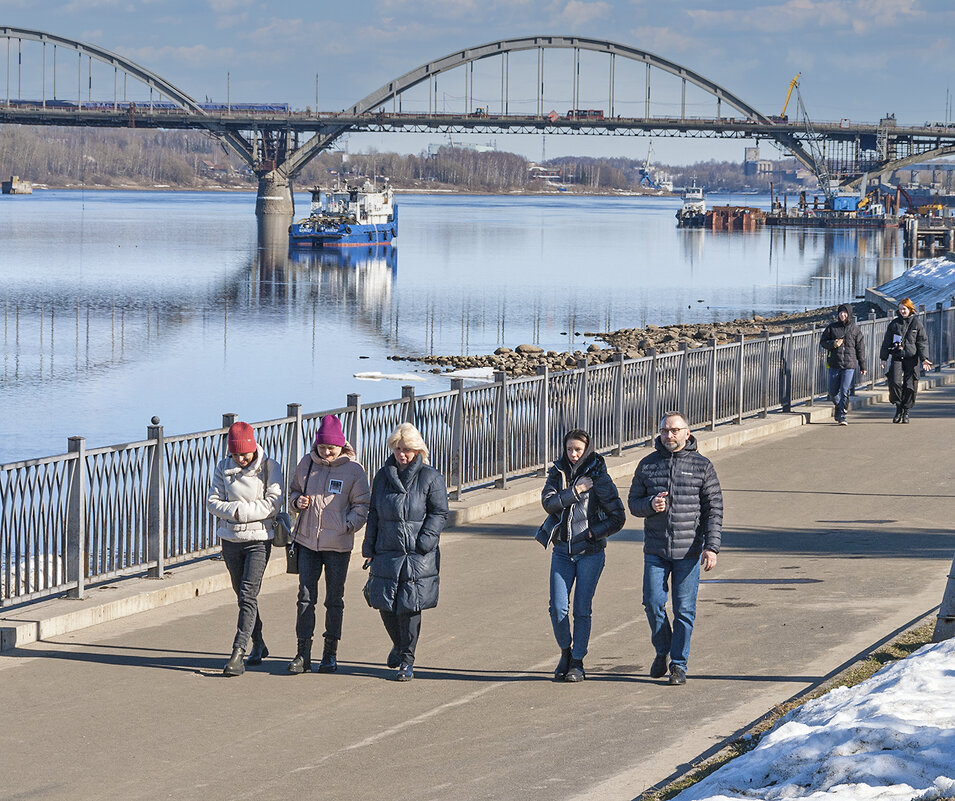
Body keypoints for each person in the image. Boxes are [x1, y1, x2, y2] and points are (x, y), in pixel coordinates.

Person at [628, 411, 723, 686]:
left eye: (675, 430)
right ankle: (663, 649)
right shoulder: (648, 465)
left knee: (684, 610)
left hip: (689, 552)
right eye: (665, 431)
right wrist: (649, 505)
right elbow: (633, 502)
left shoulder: (701, 466)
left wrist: (711, 547)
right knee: (653, 604)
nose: (669, 436)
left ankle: (679, 665)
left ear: (687, 433)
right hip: (656, 550)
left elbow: (713, 509)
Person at [362, 422, 449, 681]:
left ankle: (407, 661)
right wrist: (369, 546)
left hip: (417, 553)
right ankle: (399, 646)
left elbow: (439, 512)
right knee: (385, 604)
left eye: (408, 449)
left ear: (418, 450)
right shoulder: (382, 476)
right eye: (398, 449)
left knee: (409, 607)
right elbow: (374, 513)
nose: (402, 454)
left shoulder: (430, 477)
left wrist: (425, 542)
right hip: (387, 550)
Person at [538, 429, 626, 682]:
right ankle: (565, 651)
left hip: (591, 553)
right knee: (557, 608)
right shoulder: (558, 473)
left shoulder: (600, 477)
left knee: (581, 610)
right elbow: (549, 503)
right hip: (562, 552)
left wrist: (591, 534)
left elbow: (618, 517)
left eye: (578, 450)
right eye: (569, 449)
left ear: (586, 450)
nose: (573, 455)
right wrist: (575, 492)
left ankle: (577, 661)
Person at [287, 415, 370, 675]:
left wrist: (347, 525)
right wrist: (296, 502)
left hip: (338, 545)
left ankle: (330, 654)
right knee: (305, 599)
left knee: (334, 599)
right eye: (322, 447)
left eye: (331, 448)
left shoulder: (354, 470)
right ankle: (303, 654)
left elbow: (362, 506)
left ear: (341, 445)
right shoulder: (307, 463)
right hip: (307, 543)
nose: (326, 452)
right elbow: (293, 491)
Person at [206, 421, 284, 677]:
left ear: (253, 449)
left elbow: (272, 504)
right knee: (242, 596)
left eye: (245, 454)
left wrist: (238, 512)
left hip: (259, 540)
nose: (240, 459)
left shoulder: (270, 467)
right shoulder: (222, 466)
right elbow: (212, 502)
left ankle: (238, 652)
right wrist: (235, 512)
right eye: (236, 454)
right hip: (230, 540)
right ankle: (259, 644)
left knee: (248, 595)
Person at [880, 298, 931, 423]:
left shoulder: (916, 323)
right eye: (901, 309)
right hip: (897, 356)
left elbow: (922, 342)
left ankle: (906, 411)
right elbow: (886, 341)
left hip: (911, 357)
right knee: (894, 382)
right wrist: (884, 358)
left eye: (905, 309)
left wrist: (924, 359)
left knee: (910, 385)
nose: (902, 311)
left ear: (910, 309)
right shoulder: (894, 324)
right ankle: (898, 407)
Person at [820, 303, 867, 425]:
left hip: (849, 365)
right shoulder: (832, 328)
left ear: (849, 314)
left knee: (844, 389)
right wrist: (833, 344)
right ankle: (839, 406)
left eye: (845, 312)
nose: (842, 315)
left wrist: (863, 366)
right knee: (832, 392)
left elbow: (860, 349)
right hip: (834, 364)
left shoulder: (855, 330)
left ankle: (842, 415)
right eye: (840, 312)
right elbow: (823, 342)